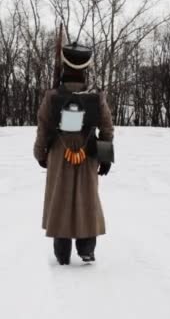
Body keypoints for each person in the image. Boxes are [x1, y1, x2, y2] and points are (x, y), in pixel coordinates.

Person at [33, 42, 114, 265]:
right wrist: (105, 156)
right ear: (85, 67)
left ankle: (62, 253)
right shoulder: (96, 96)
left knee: (60, 199)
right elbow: (107, 128)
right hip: (88, 152)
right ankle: (87, 249)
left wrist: (40, 154)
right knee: (87, 199)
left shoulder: (52, 96)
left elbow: (44, 127)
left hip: (60, 154)